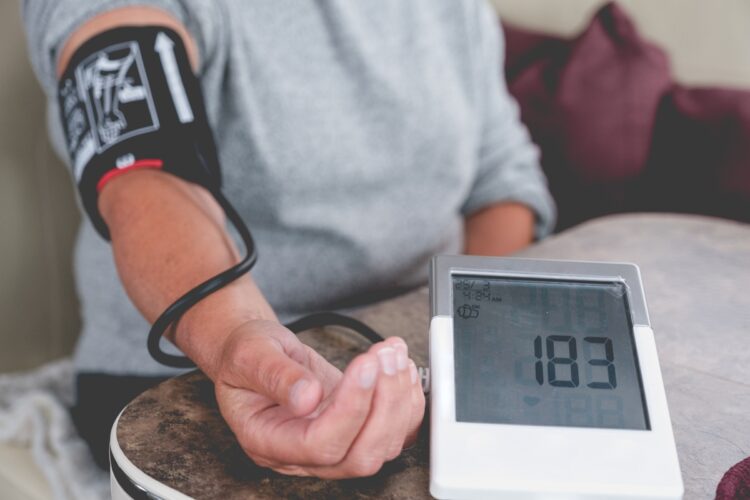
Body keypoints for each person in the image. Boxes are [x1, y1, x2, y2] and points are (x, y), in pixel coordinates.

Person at [22, 0, 555, 477]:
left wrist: (471, 341)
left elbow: (500, 177)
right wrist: (235, 335)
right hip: (201, 375)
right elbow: (145, 170)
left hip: (414, 350)